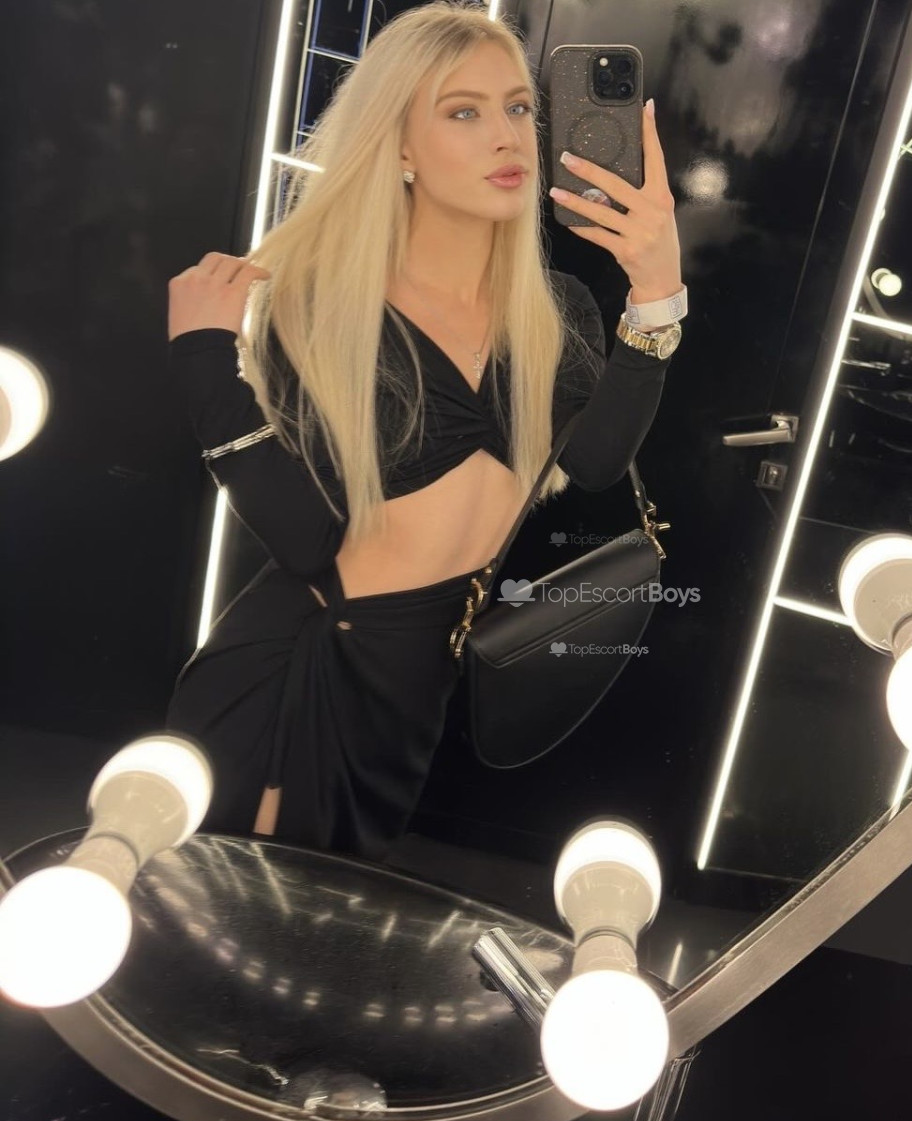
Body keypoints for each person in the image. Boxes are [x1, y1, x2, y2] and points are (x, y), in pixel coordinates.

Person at [162, 2, 685, 862]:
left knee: (333, 916)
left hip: (414, 696)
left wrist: (656, 293)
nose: (507, 136)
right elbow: (306, 539)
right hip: (300, 675)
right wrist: (202, 361)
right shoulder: (327, 306)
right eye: (463, 112)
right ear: (400, 146)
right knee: (229, 912)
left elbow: (595, 463)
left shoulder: (554, 313)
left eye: (518, 106)